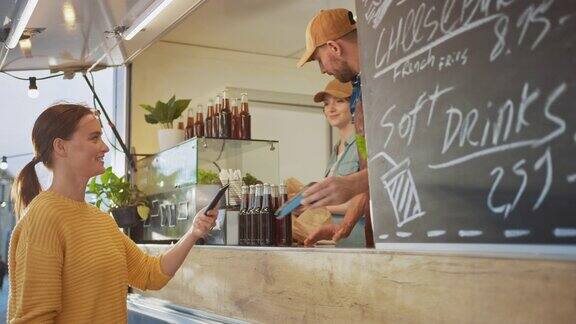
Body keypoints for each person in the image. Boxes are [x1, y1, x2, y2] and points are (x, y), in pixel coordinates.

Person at [7, 104, 217, 323]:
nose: (105, 147)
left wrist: (194, 232)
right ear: (61, 147)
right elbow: (33, 319)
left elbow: (150, 274)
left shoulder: (101, 220)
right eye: (94, 138)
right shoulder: (43, 218)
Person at [297, 8, 373, 247]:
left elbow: (409, 160)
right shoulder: (360, 90)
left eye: (319, 59)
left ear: (334, 47)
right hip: (379, 237)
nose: (322, 70)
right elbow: (370, 169)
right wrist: (345, 225)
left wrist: (351, 184)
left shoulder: (388, 82)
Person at [297, 79, 365, 247]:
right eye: (327, 104)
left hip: (357, 241)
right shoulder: (335, 151)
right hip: (336, 243)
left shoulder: (363, 144)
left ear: (354, 104)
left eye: (339, 101)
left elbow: (365, 196)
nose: (331, 109)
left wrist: (319, 206)